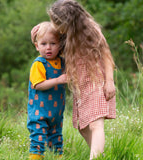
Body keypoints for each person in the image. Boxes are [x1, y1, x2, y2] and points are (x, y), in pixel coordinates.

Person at [48, 0, 116, 159]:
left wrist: (110, 82)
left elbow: (106, 55)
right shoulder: (65, 32)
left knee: (95, 124)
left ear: (68, 22)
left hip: (96, 80)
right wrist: (38, 30)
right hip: (80, 85)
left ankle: (96, 157)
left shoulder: (90, 30)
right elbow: (47, 37)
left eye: (55, 22)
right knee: (83, 127)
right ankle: (100, 155)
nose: (53, 25)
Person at [27, 21, 67, 160]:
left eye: (53, 43)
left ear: (60, 45)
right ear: (37, 46)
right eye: (43, 44)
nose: (48, 48)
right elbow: (38, 85)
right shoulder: (39, 64)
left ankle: (58, 157)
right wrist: (58, 80)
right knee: (38, 139)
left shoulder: (62, 62)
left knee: (56, 139)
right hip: (39, 112)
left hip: (56, 112)